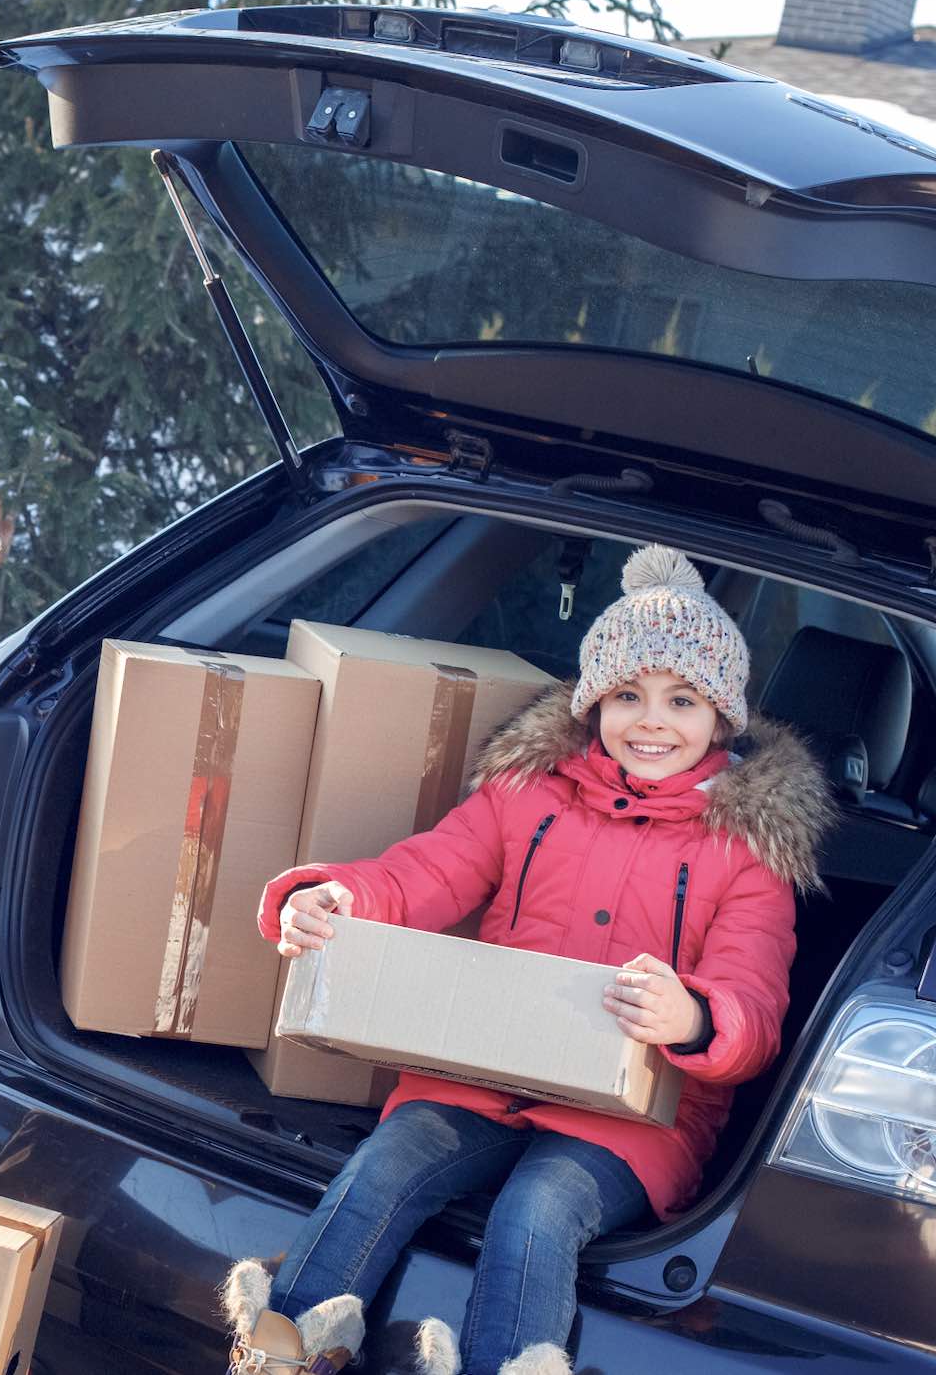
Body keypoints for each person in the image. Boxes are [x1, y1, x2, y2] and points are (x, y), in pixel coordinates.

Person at [221, 545, 835, 1375]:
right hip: (475, 1071)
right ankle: (288, 1347)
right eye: (627, 695)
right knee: (383, 1167)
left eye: (681, 700)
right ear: (591, 705)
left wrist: (693, 1018)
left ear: (722, 720)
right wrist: (340, 898)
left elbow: (756, 1008)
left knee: (537, 1211)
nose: (651, 721)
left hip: (634, 1119)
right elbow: (426, 872)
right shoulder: (529, 793)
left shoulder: (747, 851)